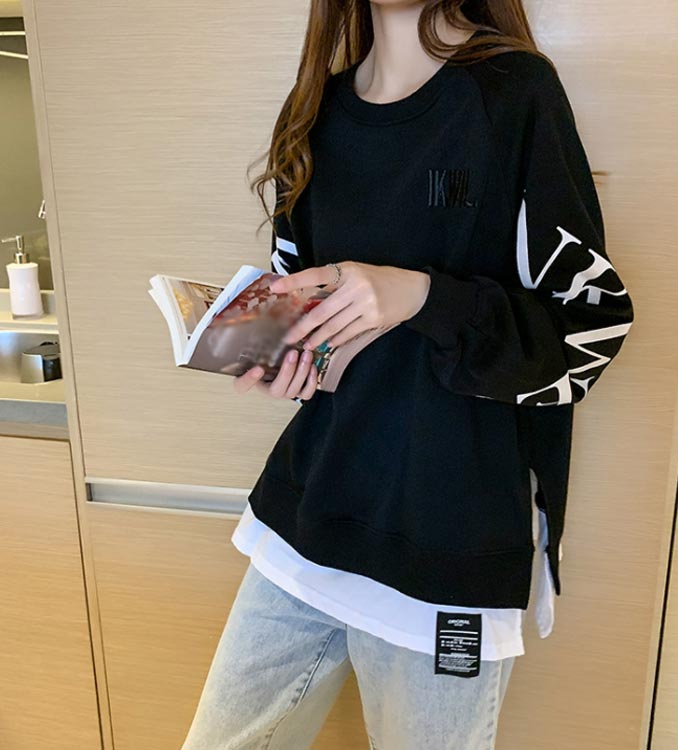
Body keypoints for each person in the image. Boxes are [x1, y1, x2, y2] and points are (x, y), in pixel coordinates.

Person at [181, 1, 635, 748]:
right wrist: (278, 352)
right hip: (308, 511)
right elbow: (310, 300)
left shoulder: (514, 95)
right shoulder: (313, 112)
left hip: (448, 536)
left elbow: (587, 330)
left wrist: (420, 294)